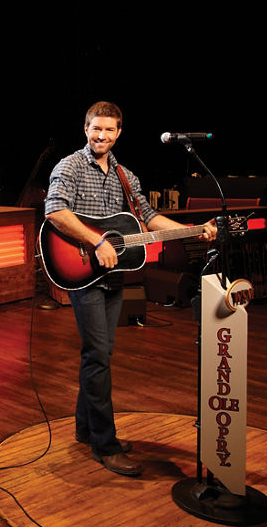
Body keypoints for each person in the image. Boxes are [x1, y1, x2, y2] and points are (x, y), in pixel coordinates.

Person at [44, 101, 215, 476]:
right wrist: (96, 242)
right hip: (82, 271)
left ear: (119, 132)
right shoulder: (69, 166)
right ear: (85, 128)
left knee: (99, 354)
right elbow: (55, 211)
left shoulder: (126, 175)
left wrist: (195, 230)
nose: (101, 136)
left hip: (114, 276)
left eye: (109, 130)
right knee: (98, 356)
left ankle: (85, 429)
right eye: (95, 129)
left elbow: (148, 218)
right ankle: (105, 446)